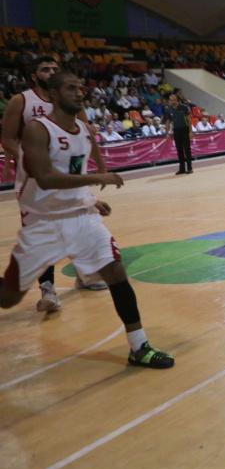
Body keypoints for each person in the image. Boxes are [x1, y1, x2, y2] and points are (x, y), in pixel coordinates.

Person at [0, 71, 174, 368]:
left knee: (116, 271)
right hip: (44, 222)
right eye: (71, 88)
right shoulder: (37, 129)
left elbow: (73, 172)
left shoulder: (82, 130)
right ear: (53, 95)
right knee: (9, 298)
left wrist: (90, 200)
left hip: (80, 217)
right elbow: (45, 178)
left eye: (80, 88)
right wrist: (99, 178)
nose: (79, 93)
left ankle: (139, 346)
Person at [1, 55, 109, 309]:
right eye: (45, 69)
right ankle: (47, 289)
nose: (50, 72)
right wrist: (29, 158)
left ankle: (84, 274)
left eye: (54, 68)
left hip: (70, 172)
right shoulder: (21, 101)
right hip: (36, 180)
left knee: (80, 221)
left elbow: (87, 133)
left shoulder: (69, 98)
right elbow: (7, 138)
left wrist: (100, 165)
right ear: (34, 76)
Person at [165, 93, 193, 174]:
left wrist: (190, 131)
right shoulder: (168, 109)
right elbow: (168, 121)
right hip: (176, 130)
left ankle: (189, 168)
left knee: (187, 149)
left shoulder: (184, 107)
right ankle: (182, 169)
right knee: (179, 149)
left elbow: (189, 120)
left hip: (185, 129)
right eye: (170, 100)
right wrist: (167, 132)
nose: (172, 101)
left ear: (176, 100)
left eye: (173, 100)